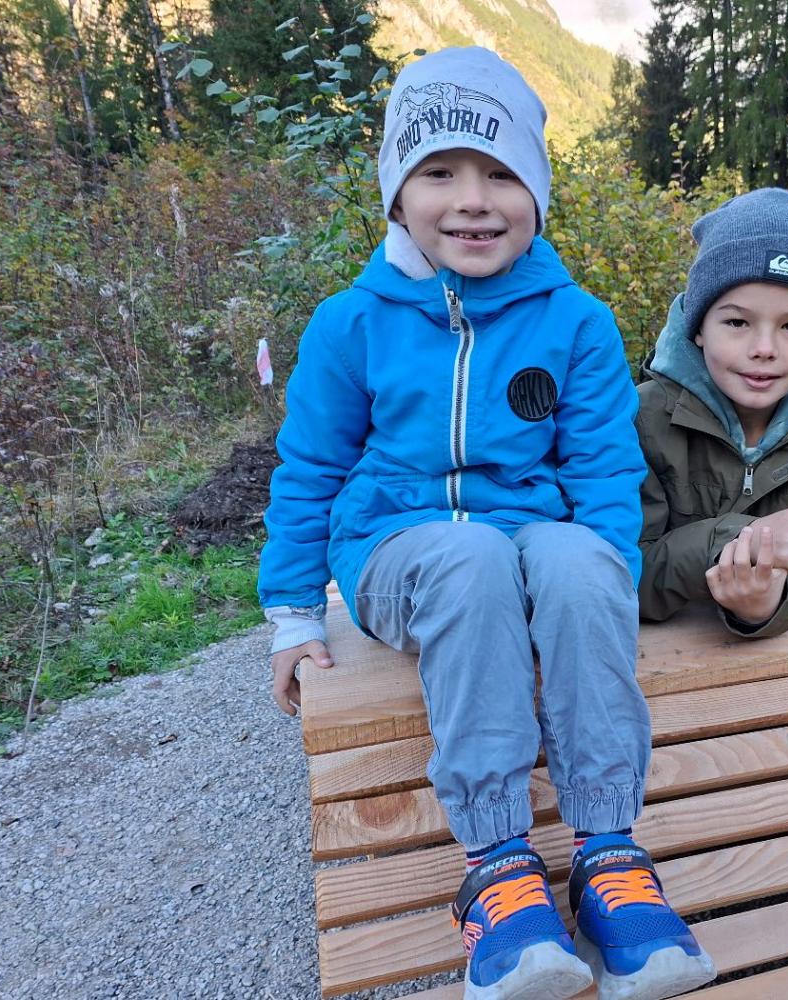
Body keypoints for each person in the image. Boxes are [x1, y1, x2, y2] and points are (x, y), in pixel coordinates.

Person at [257, 47, 715, 1000]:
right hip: (398, 549)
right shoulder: (351, 324)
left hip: (529, 541)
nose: (473, 201)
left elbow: (602, 469)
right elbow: (311, 469)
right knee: (468, 555)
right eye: (439, 172)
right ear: (397, 193)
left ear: (536, 195)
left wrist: (597, 591)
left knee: (583, 560)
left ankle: (607, 852)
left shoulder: (575, 321)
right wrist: (294, 615)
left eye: (502, 175)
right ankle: (497, 868)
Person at [636, 188, 788, 637]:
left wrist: (765, 606)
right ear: (698, 327)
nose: (764, 349)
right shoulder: (643, 417)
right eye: (737, 322)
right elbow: (628, 569)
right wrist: (743, 538)